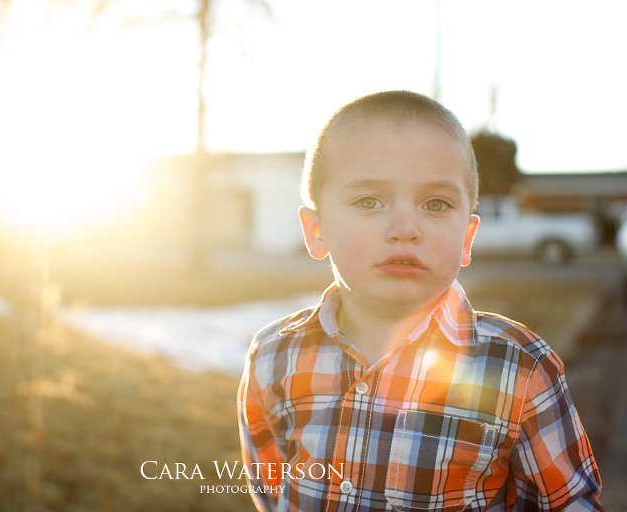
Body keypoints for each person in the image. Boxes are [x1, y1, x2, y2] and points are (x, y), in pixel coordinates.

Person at [237, 90, 603, 511]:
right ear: (316, 231)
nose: (405, 228)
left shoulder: (520, 368)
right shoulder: (273, 356)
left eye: (436, 203)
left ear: (466, 239)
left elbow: (569, 502)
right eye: (369, 201)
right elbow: (272, 488)